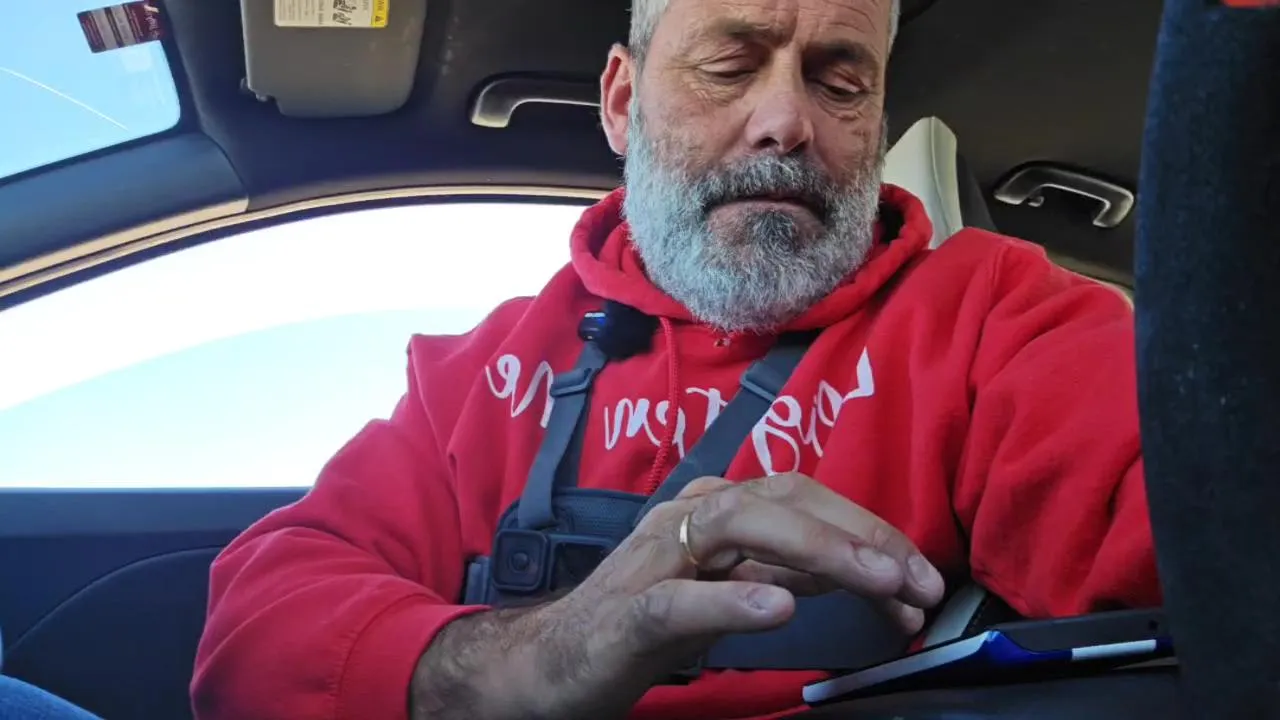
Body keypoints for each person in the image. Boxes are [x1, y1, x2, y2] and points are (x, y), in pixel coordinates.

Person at [190, 0, 1162, 718]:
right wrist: (535, 657)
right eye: (729, 66)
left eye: (839, 83)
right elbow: (257, 632)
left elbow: (1191, 525)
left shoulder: (993, 316)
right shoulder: (479, 373)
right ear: (622, 102)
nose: (786, 121)